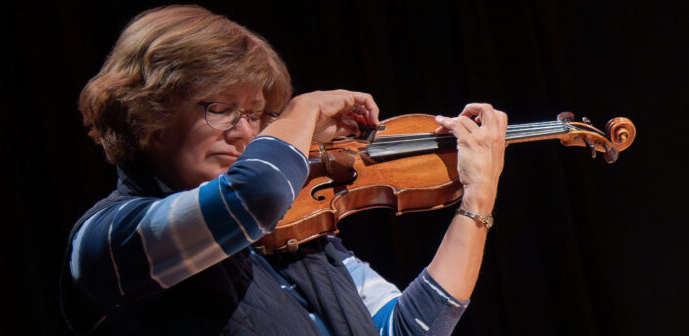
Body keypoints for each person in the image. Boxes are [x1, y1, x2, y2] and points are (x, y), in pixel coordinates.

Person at [60, 5, 508, 336]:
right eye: (220, 109)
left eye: (255, 115)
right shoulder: (108, 239)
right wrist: (305, 111)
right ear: (150, 117)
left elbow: (411, 330)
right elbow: (257, 193)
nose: (243, 132)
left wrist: (477, 200)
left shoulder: (297, 241)